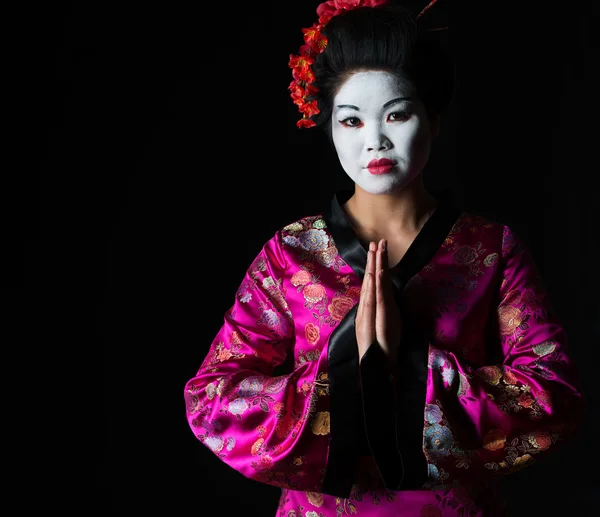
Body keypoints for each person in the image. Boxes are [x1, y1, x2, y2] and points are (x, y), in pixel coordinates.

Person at [183, 1, 584, 515]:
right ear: (329, 129)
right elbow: (213, 401)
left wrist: (416, 367)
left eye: (397, 114)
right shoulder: (291, 254)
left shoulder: (490, 249)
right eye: (351, 121)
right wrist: (345, 373)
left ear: (434, 120)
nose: (375, 139)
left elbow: (555, 397)